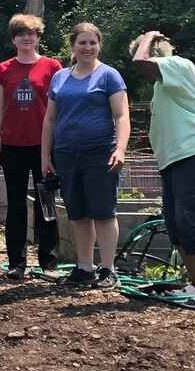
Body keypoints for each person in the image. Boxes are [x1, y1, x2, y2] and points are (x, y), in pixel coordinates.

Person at [130, 30, 195, 306]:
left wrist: (147, 37)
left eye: (142, 50)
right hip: (174, 159)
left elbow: (140, 62)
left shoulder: (179, 65)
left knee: (190, 220)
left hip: (193, 152)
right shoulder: (164, 83)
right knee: (176, 223)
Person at [41, 22, 130, 289]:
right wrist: (45, 155)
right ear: (73, 46)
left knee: (102, 211)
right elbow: (49, 120)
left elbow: (122, 115)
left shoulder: (109, 76)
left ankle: (108, 269)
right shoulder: (60, 77)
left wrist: (120, 148)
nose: (88, 47)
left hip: (100, 153)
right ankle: (84, 267)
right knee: (77, 212)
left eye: (92, 42)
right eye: (82, 42)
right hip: (67, 154)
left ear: (99, 45)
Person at [0, 13, 62, 280]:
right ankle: (16, 263)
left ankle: (48, 262)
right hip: (13, 145)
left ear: (38, 37)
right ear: (14, 39)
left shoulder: (53, 67)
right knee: (16, 204)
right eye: (21, 34)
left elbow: (58, 109)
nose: (27, 38)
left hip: (44, 147)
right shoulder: (4, 70)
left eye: (32, 34)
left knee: (46, 203)